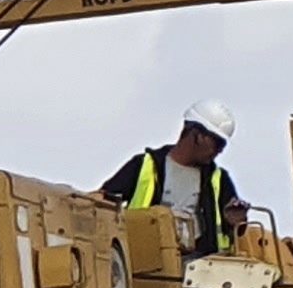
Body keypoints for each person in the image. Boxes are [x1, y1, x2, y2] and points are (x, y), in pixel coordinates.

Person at [104, 103, 245, 261]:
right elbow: (103, 203)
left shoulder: (218, 179)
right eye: (217, 143)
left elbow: (235, 233)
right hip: (146, 264)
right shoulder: (146, 166)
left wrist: (235, 222)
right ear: (196, 135)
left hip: (201, 271)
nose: (220, 150)